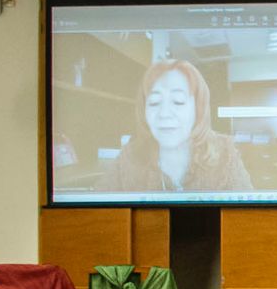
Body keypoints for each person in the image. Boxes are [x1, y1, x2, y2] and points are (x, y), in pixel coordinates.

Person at [104, 60, 253, 192]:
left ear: (198, 108)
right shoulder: (129, 157)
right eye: (154, 102)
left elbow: (248, 218)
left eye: (178, 101)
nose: (164, 113)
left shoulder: (225, 155)